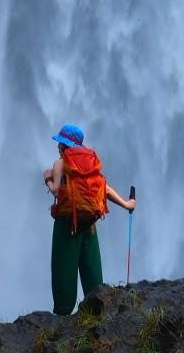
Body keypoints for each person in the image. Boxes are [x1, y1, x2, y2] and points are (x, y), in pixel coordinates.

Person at [43, 122, 136, 314]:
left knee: (64, 273)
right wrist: (127, 204)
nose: (57, 147)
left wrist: (48, 178)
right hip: (89, 226)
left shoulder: (60, 163)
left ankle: (63, 316)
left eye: (59, 143)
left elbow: (56, 192)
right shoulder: (90, 163)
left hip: (67, 227)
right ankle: (97, 312)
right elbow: (104, 189)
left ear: (63, 145)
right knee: (92, 271)